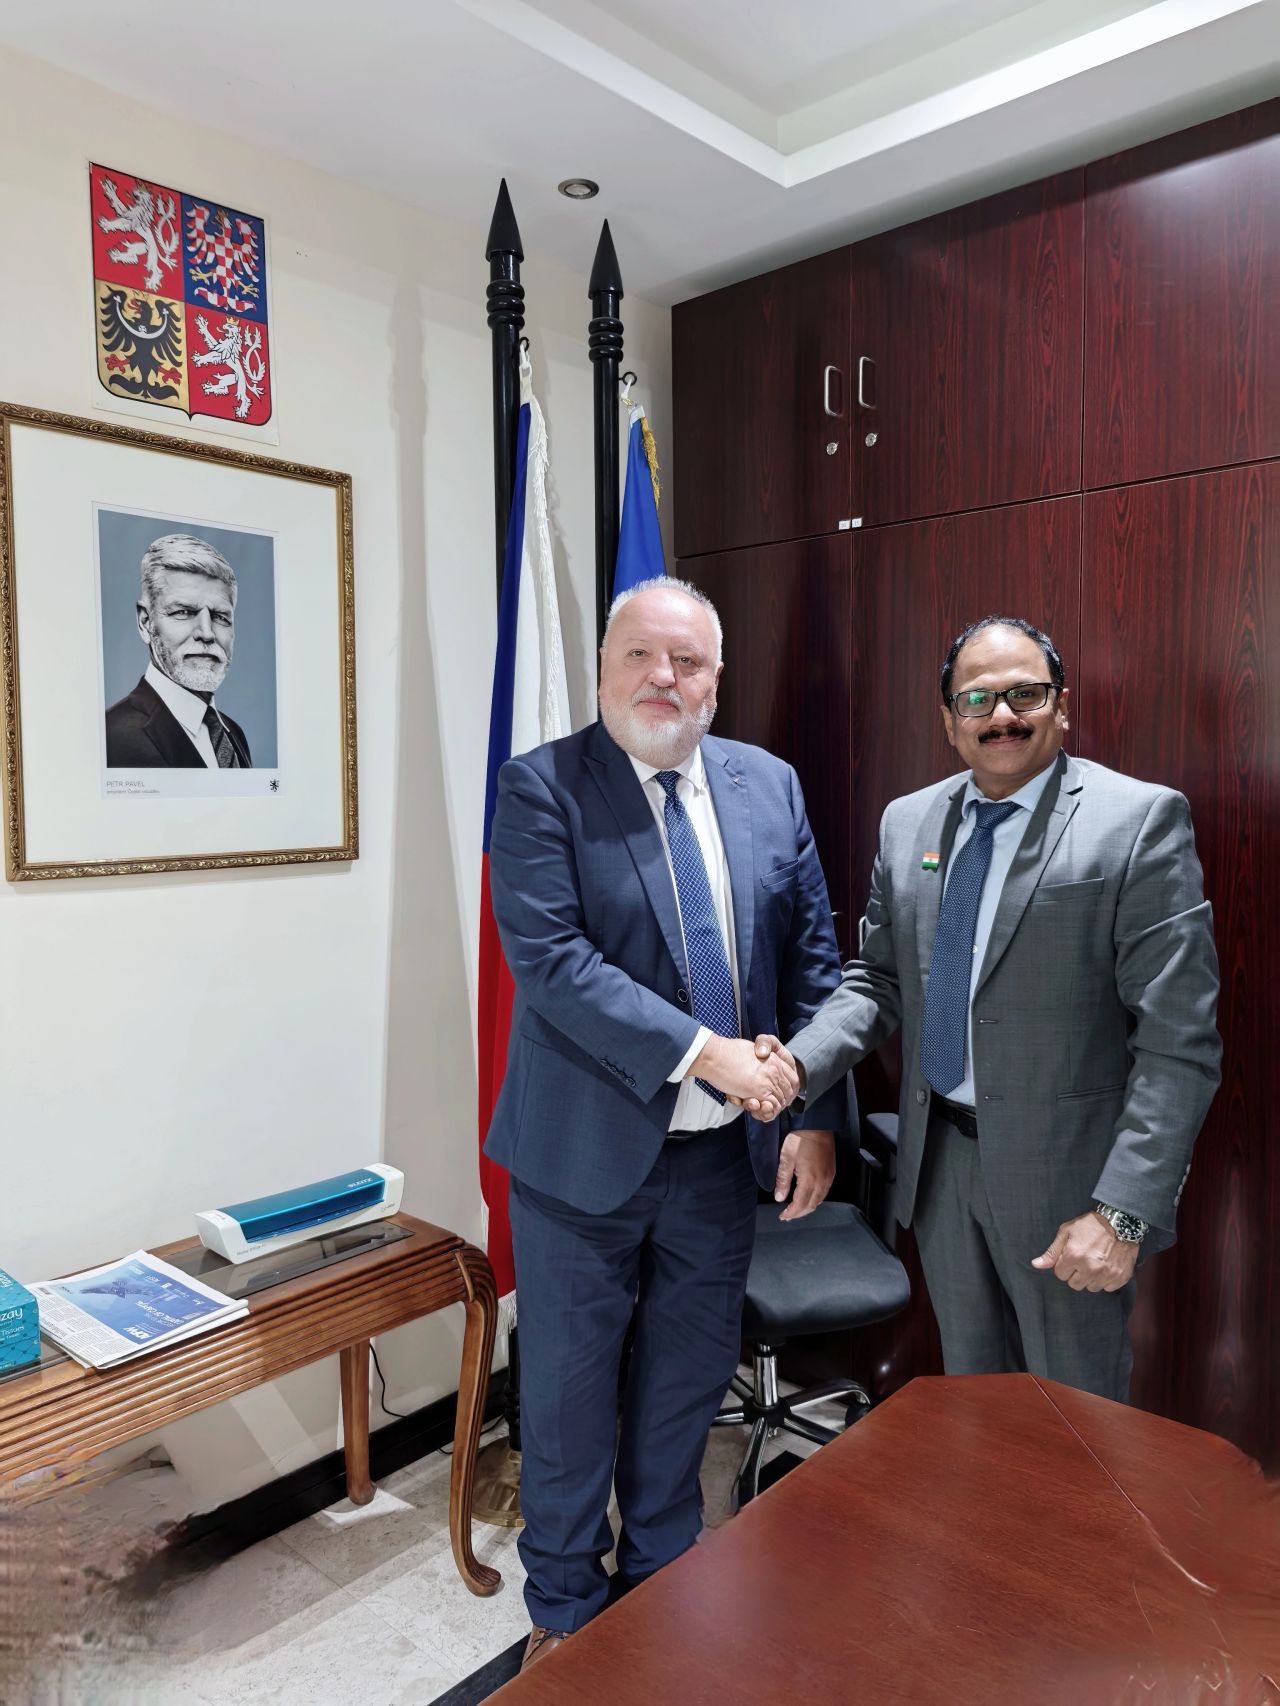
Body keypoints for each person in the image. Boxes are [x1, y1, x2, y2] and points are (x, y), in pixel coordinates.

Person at [485, 577, 848, 1668]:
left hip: (718, 1162)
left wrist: (813, 1111)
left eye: (687, 661)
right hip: (580, 1158)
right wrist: (707, 1053)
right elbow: (554, 964)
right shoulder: (542, 785)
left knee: (685, 1386)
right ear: (603, 669)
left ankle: (661, 1582)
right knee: (566, 1397)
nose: (662, 678)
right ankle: (561, 1609)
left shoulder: (767, 784)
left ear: (715, 679)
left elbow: (812, 957)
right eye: (640, 655)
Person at [752, 615, 1220, 1404]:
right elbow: (877, 980)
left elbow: (1180, 1045)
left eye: (1024, 693)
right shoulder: (909, 823)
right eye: (977, 699)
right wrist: (797, 1064)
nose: (1001, 715)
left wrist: (1122, 1214)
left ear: (1061, 705)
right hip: (941, 1172)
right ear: (949, 720)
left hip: (1071, 1186)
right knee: (978, 1412)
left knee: (1077, 1423)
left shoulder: (1137, 821)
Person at [105, 533, 252, 768]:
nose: (207, 633)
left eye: (220, 616)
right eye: (183, 612)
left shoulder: (234, 734)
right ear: (145, 622)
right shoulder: (111, 736)